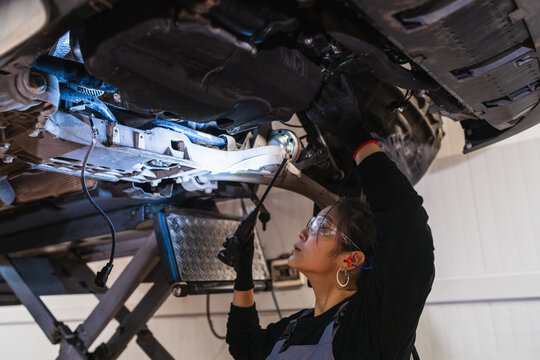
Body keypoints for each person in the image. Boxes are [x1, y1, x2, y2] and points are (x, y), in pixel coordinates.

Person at [224, 74, 435, 360]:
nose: (301, 233)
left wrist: (355, 134)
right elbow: (245, 345)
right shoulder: (294, 329)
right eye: (315, 225)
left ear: (352, 259)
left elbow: (407, 229)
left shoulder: (370, 333)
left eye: (318, 227)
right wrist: (244, 272)